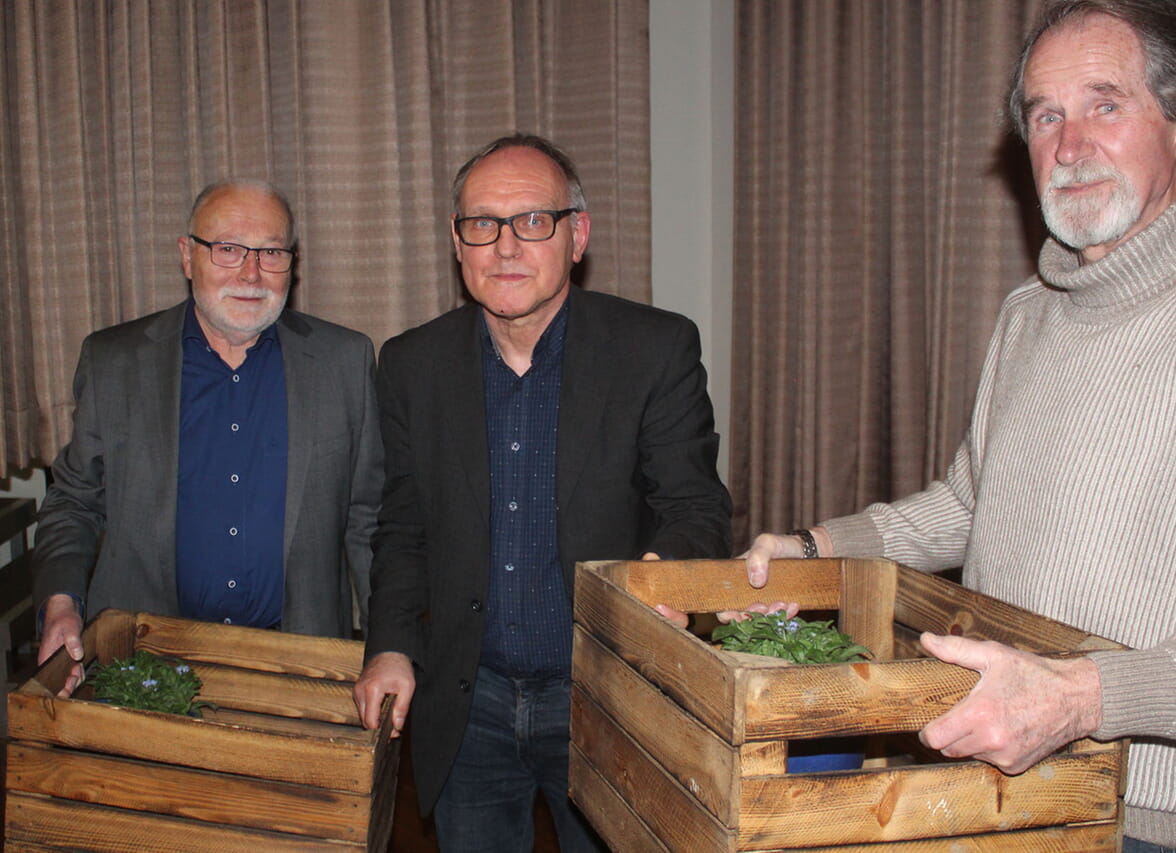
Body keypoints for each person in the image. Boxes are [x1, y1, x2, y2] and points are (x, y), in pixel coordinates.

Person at [733, 2, 1176, 851]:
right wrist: (815, 549)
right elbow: (969, 502)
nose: (1069, 144)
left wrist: (1082, 696)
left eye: (1105, 104)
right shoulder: (1028, 313)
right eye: (1045, 115)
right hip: (984, 783)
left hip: (1134, 819)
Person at [353, 134, 732, 852]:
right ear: (457, 243)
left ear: (577, 234)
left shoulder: (656, 348)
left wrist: (660, 574)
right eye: (482, 224)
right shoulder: (411, 365)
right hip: (470, 701)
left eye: (533, 221)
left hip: (601, 694)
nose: (504, 247)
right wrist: (392, 645)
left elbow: (695, 506)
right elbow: (401, 525)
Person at [34, 179, 383, 695]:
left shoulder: (344, 361)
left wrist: (389, 649)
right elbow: (74, 501)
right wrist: (62, 602)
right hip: (144, 662)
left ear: (293, 261)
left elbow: (370, 520)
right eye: (227, 249)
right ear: (187, 256)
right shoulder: (115, 361)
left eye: (270, 252)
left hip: (297, 666)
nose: (250, 272)